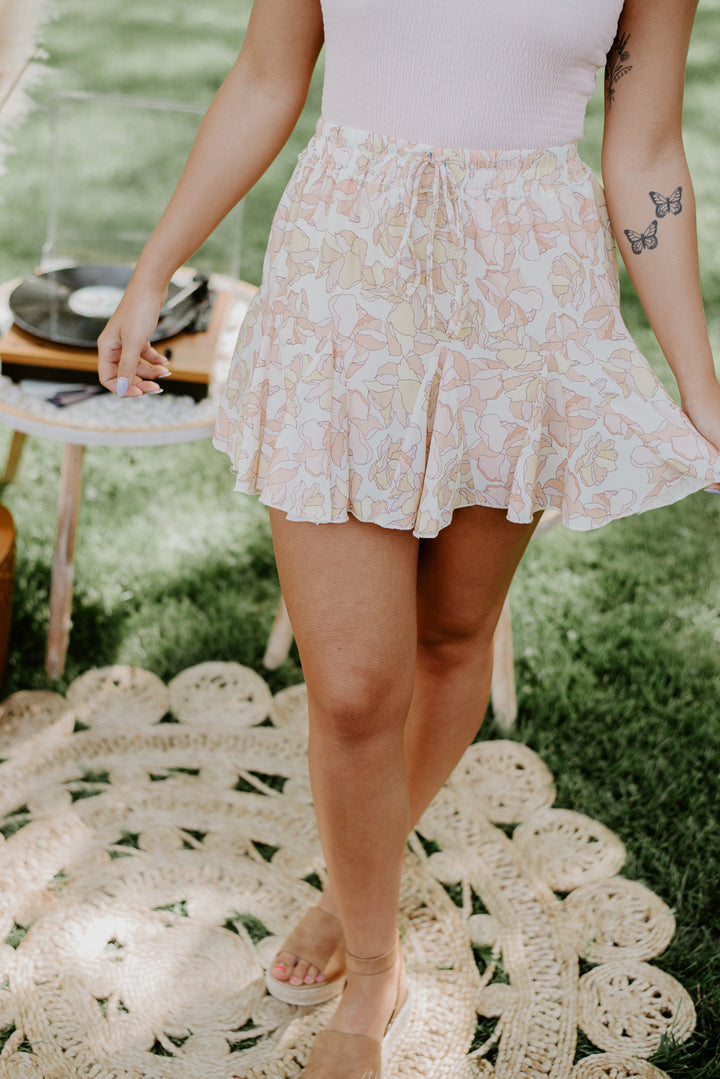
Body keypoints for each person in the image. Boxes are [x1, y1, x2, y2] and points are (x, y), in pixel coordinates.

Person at [98, 1, 720, 1074]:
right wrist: (155, 267)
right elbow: (266, 76)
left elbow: (647, 149)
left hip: (528, 294)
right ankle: (375, 966)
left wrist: (699, 385)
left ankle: (350, 898)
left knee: (449, 637)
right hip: (345, 274)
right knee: (351, 690)